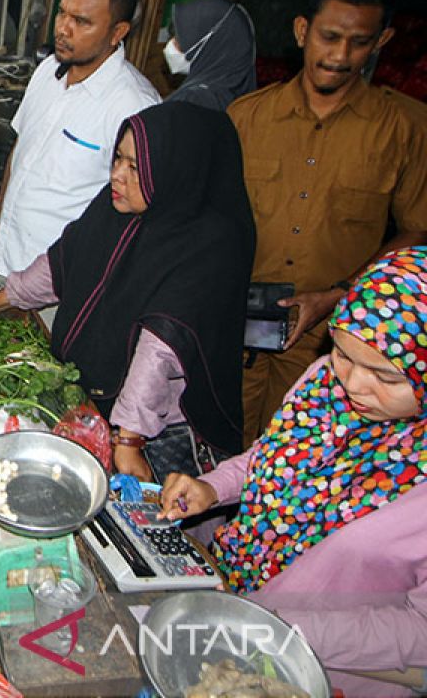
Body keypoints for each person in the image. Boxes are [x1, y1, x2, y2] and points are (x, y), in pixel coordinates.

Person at [161, 248, 427, 697]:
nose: (354, 385)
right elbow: (272, 457)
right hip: (229, 593)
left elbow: (417, 632)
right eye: (344, 353)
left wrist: (273, 627)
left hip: (311, 666)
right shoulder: (324, 381)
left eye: (385, 376)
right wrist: (212, 487)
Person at [0, 102, 255, 480]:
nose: (117, 175)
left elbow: (160, 344)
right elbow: (63, 263)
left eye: (134, 167)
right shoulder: (115, 207)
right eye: (117, 158)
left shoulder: (208, 244)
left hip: (158, 423)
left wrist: (129, 438)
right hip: (99, 401)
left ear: (175, 171)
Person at [229, 0, 427, 444]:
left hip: (335, 346)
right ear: (303, 31)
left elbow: (417, 231)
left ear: (382, 40)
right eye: (329, 37)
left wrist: (338, 296)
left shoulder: (405, 126)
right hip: (236, 330)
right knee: (221, 450)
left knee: (299, 461)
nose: (340, 56)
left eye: (359, 42)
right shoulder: (247, 117)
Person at [0, 0, 159, 294]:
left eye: (81, 21)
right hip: (5, 261)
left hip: (61, 286)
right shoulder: (48, 70)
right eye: (63, 13)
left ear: (117, 33)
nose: (63, 28)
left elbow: (139, 213)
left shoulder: (134, 107)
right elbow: (22, 149)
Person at [162, 0, 256, 111]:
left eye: (180, 41)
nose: (171, 45)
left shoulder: (192, 101)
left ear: (211, 48)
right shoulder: (239, 97)